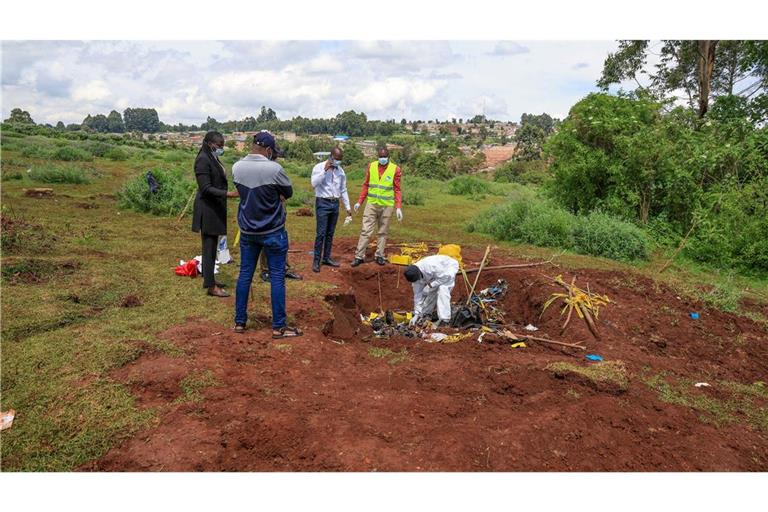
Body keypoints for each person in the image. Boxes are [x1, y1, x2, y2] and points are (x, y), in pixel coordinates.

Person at [232, 130, 302, 338]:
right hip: (272, 231)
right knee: (277, 277)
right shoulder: (274, 169)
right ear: (269, 150)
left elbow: (243, 193)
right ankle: (279, 326)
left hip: (247, 231)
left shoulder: (236, 167)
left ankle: (239, 322)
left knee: (245, 274)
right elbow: (287, 193)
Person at [192, 131, 239, 297]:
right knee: (209, 246)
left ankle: (209, 278)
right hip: (208, 208)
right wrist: (228, 194)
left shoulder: (211, 157)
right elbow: (205, 188)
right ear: (210, 143)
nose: (221, 148)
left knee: (211, 247)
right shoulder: (202, 160)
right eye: (219, 146)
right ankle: (211, 286)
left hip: (215, 207)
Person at [351, 147, 403, 267]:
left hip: (387, 205)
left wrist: (398, 207)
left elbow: (397, 189)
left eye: (384, 157)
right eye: (380, 157)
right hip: (372, 203)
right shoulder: (371, 166)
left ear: (388, 158)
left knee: (383, 231)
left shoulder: (395, 169)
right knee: (366, 230)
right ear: (377, 157)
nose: (382, 159)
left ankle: (379, 255)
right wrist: (359, 201)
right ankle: (359, 256)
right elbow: (366, 185)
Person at [310, 146, 352, 273]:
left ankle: (326, 258)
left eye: (340, 160)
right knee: (321, 233)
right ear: (331, 156)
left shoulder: (341, 171)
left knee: (330, 233)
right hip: (323, 203)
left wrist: (348, 207)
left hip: (335, 204)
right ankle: (316, 261)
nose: (338, 161)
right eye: (336, 159)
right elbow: (313, 184)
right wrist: (325, 170)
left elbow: (343, 189)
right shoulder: (319, 167)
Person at [404, 254, 459, 327]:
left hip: (448, 269)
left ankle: (445, 320)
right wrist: (417, 314)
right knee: (431, 291)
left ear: (419, 273)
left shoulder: (431, 266)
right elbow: (417, 295)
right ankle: (426, 314)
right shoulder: (414, 277)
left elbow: (445, 277)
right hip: (436, 275)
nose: (417, 281)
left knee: (442, 289)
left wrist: (430, 285)